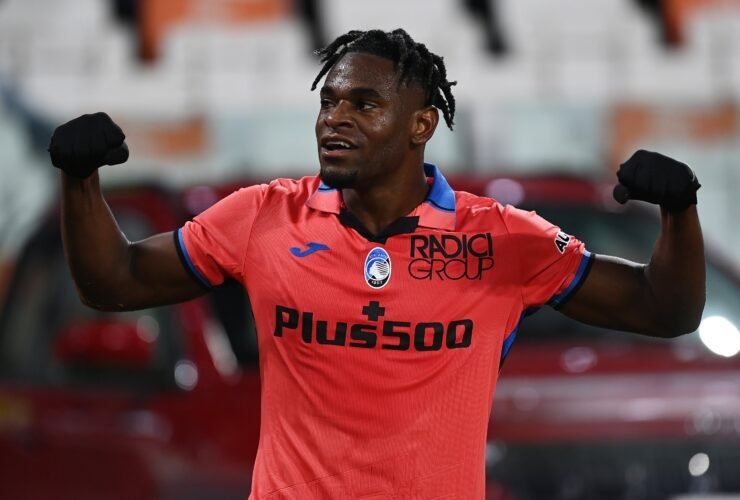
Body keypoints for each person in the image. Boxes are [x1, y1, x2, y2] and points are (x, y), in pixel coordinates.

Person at [48, 28, 704, 500]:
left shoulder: (502, 240)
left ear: (421, 125)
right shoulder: (262, 217)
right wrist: (80, 181)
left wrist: (679, 215)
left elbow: (664, 309)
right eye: (328, 102)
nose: (335, 119)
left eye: (363, 105)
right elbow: (115, 282)